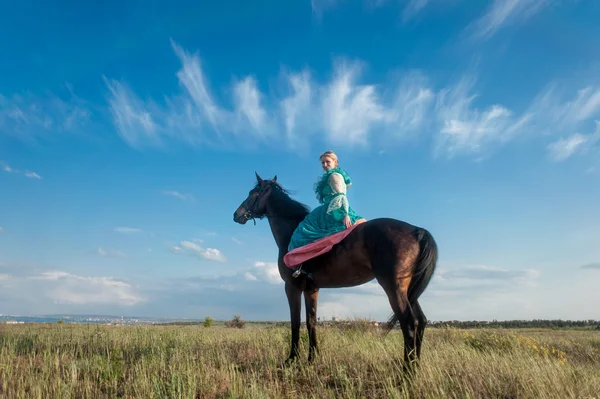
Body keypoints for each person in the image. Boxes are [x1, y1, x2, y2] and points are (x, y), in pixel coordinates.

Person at [288, 150, 365, 252]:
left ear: (335, 162)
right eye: (322, 163)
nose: (325, 165)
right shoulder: (332, 175)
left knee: (302, 232)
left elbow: (341, 196)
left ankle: (303, 264)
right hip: (330, 207)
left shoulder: (334, 176)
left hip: (334, 209)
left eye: (327, 161)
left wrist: (344, 214)